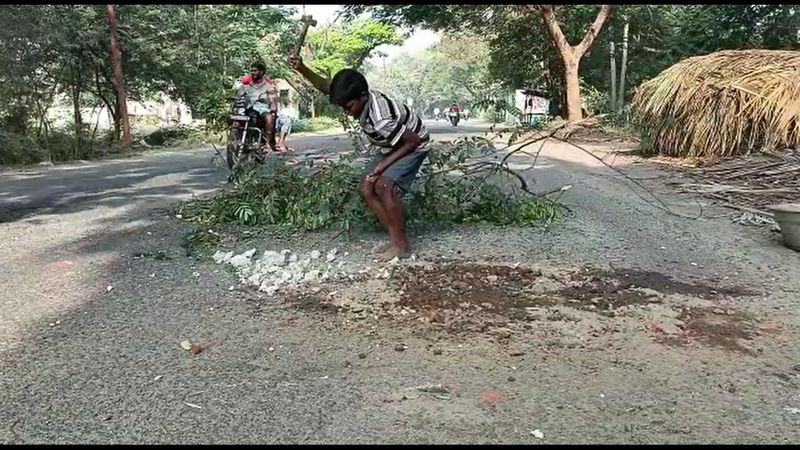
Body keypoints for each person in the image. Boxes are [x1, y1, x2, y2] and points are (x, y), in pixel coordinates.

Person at [288, 55, 430, 259]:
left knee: (384, 186)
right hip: (390, 144)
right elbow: (326, 87)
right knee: (365, 188)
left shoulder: (380, 119)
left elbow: (413, 141)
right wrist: (302, 68)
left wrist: (382, 168)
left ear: (363, 96)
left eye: (349, 107)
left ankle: (401, 246)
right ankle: (394, 239)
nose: (347, 112)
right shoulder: (356, 96)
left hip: (413, 144)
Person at [234, 61, 278, 152]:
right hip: (248, 109)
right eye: (251, 71)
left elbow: (273, 100)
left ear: (262, 72)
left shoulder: (268, 87)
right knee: (235, 118)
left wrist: (272, 105)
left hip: (262, 109)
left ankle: (267, 144)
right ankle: (236, 140)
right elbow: (237, 97)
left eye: (255, 71)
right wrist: (235, 101)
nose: (252, 73)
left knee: (269, 118)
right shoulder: (245, 86)